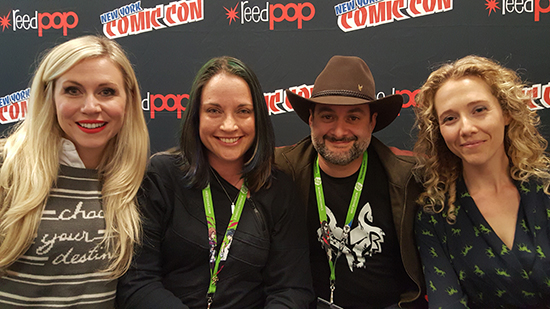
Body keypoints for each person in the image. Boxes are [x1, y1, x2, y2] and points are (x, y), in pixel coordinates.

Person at [116, 56, 314, 308]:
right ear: (196, 116)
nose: (229, 125)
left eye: (243, 111)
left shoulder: (279, 190)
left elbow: (292, 290)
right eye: (214, 110)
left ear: (259, 119)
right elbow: (138, 281)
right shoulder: (161, 176)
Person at [0, 35, 149, 307]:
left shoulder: (135, 178)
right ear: (50, 97)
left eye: (107, 91)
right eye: (73, 90)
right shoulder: (6, 167)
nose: (91, 107)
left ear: (127, 99)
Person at [275, 55, 427, 308]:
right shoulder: (280, 169)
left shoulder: (411, 177)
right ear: (310, 119)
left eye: (353, 118)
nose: (339, 131)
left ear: (372, 122)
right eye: (327, 117)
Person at [413, 55, 550, 308]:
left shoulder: (545, 189)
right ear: (439, 131)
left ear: (506, 113)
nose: (466, 128)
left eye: (479, 110)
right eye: (450, 118)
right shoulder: (435, 214)